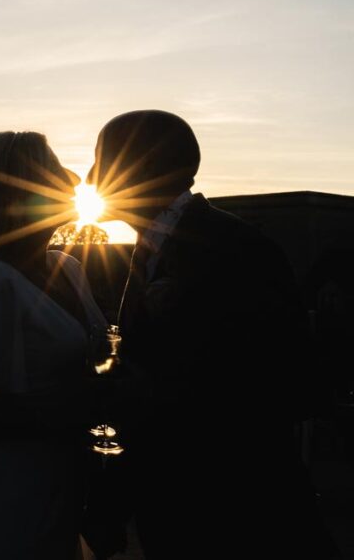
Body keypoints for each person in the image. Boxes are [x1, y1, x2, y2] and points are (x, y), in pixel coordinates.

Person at [82, 110, 337, 559]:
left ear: (146, 166)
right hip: (177, 511)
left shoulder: (236, 249)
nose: (89, 177)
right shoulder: (152, 250)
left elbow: (293, 382)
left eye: (102, 160)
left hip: (239, 515)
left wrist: (155, 390)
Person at [0, 131, 108, 559]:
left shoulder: (68, 267)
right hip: (6, 493)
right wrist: (71, 412)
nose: (73, 179)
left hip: (62, 484)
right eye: (52, 168)